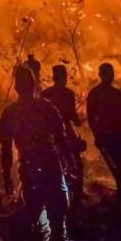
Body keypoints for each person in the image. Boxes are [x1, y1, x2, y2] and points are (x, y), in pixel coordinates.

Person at [0, 66, 75, 241]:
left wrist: (6, 176)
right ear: (33, 86)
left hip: (30, 167)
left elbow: (6, 150)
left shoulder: (9, 114)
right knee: (57, 219)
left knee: (35, 219)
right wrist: (70, 162)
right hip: (49, 166)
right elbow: (61, 139)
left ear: (16, 87)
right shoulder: (46, 108)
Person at [86, 63, 121, 205]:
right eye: (108, 73)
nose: (110, 76)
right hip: (108, 136)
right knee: (119, 167)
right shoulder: (95, 94)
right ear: (101, 75)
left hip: (120, 134)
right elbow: (91, 117)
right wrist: (98, 135)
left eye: (111, 73)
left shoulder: (116, 93)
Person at [41, 64, 87, 203]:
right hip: (65, 130)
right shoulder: (68, 94)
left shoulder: (45, 94)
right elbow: (72, 116)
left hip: (48, 132)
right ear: (64, 77)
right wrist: (79, 120)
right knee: (76, 162)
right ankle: (77, 193)